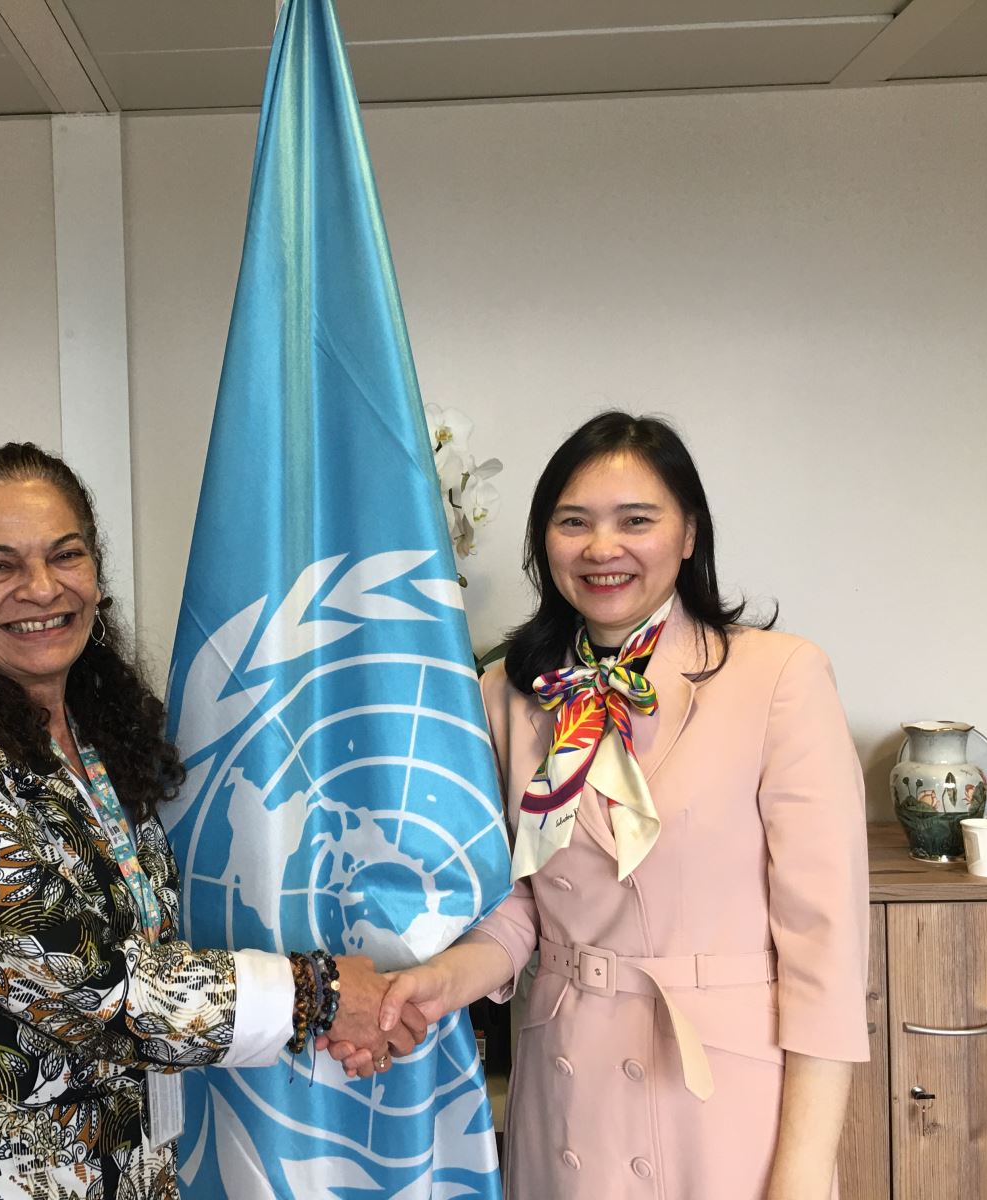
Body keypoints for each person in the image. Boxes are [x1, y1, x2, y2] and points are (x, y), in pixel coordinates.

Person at [0, 442, 424, 1200]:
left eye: (65, 555)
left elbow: (147, 951)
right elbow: (91, 986)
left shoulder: (94, 741)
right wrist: (322, 995)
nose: (41, 588)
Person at [336, 412, 869, 1198]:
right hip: (567, 1097)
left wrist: (803, 1172)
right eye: (574, 522)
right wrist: (443, 980)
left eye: (637, 521)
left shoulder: (778, 677)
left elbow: (826, 950)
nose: (601, 548)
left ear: (689, 535)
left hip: (722, 1104)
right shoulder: (507, 694)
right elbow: (520, 903)